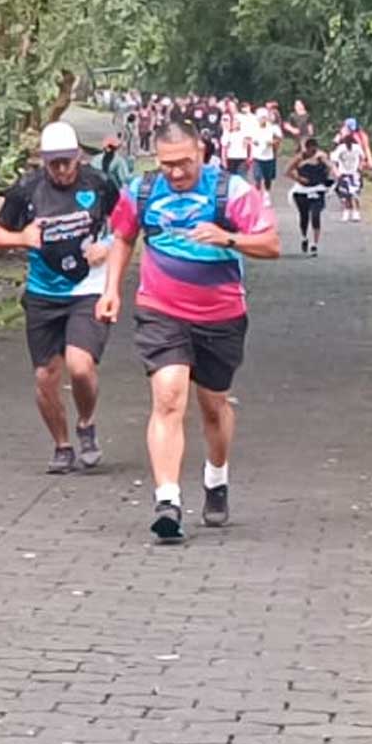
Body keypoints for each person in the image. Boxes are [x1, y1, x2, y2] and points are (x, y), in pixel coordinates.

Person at [98, 121, 280, 542]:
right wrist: (111, 291)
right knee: (168, 396)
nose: (176, 173)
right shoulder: (142, 192)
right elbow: (123, 237)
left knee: (213, 406)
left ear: (201, 152)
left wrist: (228, 239)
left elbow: (271, 244)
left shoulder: (230, 191)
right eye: (167, 165)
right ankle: (168, 501)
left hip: (221, 314)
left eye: (183, 163)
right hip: (161, 309)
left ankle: (216, 479)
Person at [0, 121, 120, 474]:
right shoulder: (26, 191)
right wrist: (21, 239)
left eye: (67, 161)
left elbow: (125, 224)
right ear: (43, 161)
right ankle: (62, 445)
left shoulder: (99, 184)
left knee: (80, 366)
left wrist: (105, 246)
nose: (62, 170)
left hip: (87, 288)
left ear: (78, 156)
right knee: (46, 376)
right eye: (54, 163)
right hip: (44, 292)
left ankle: (86, 423)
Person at [286, 138, 333, 255]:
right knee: (304, 216)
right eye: (310, 151)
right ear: (306, 149)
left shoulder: (321, 157)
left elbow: (330, 167)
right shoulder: (299, 158)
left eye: (314, 151)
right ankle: (304, 237)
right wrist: (299, 178)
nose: (313, 153)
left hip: (317, 189)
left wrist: (325, 170)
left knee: (316, 215)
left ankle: (315, 244)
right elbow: (287, 171)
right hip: (302, 190)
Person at [251, 105, 285, 202]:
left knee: (267, 177)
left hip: (268, 156)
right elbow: (250, 139)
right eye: (260, 118)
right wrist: (255, 142)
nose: (262, 120)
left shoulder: (272, 128)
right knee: (257, 176)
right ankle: (257, 194)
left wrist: (272, 143)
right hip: (257, 156)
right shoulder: (254, 128)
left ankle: (266, 194)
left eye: (264, 118)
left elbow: (279, 138)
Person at [331, 132, 366, 221]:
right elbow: (333, 161)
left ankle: (356, 213)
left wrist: (360, 166)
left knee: (355, 195)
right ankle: (346, 212)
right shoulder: (340, 149)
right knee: (345, 195)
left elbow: (362, 158)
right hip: (343, 174)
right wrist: (336, 172)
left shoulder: (357, 148)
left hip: (354, 174)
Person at [221, 99, 253, 176]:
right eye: (234, 121)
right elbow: (224, 148)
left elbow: (250, 144)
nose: (236, 123)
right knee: (231, 178)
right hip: (231, 158)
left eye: (238, 122)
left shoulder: (244, 133)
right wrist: (223, 160)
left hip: (242, 158)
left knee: (241, 178)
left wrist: (251, 156)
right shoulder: (228, 133)